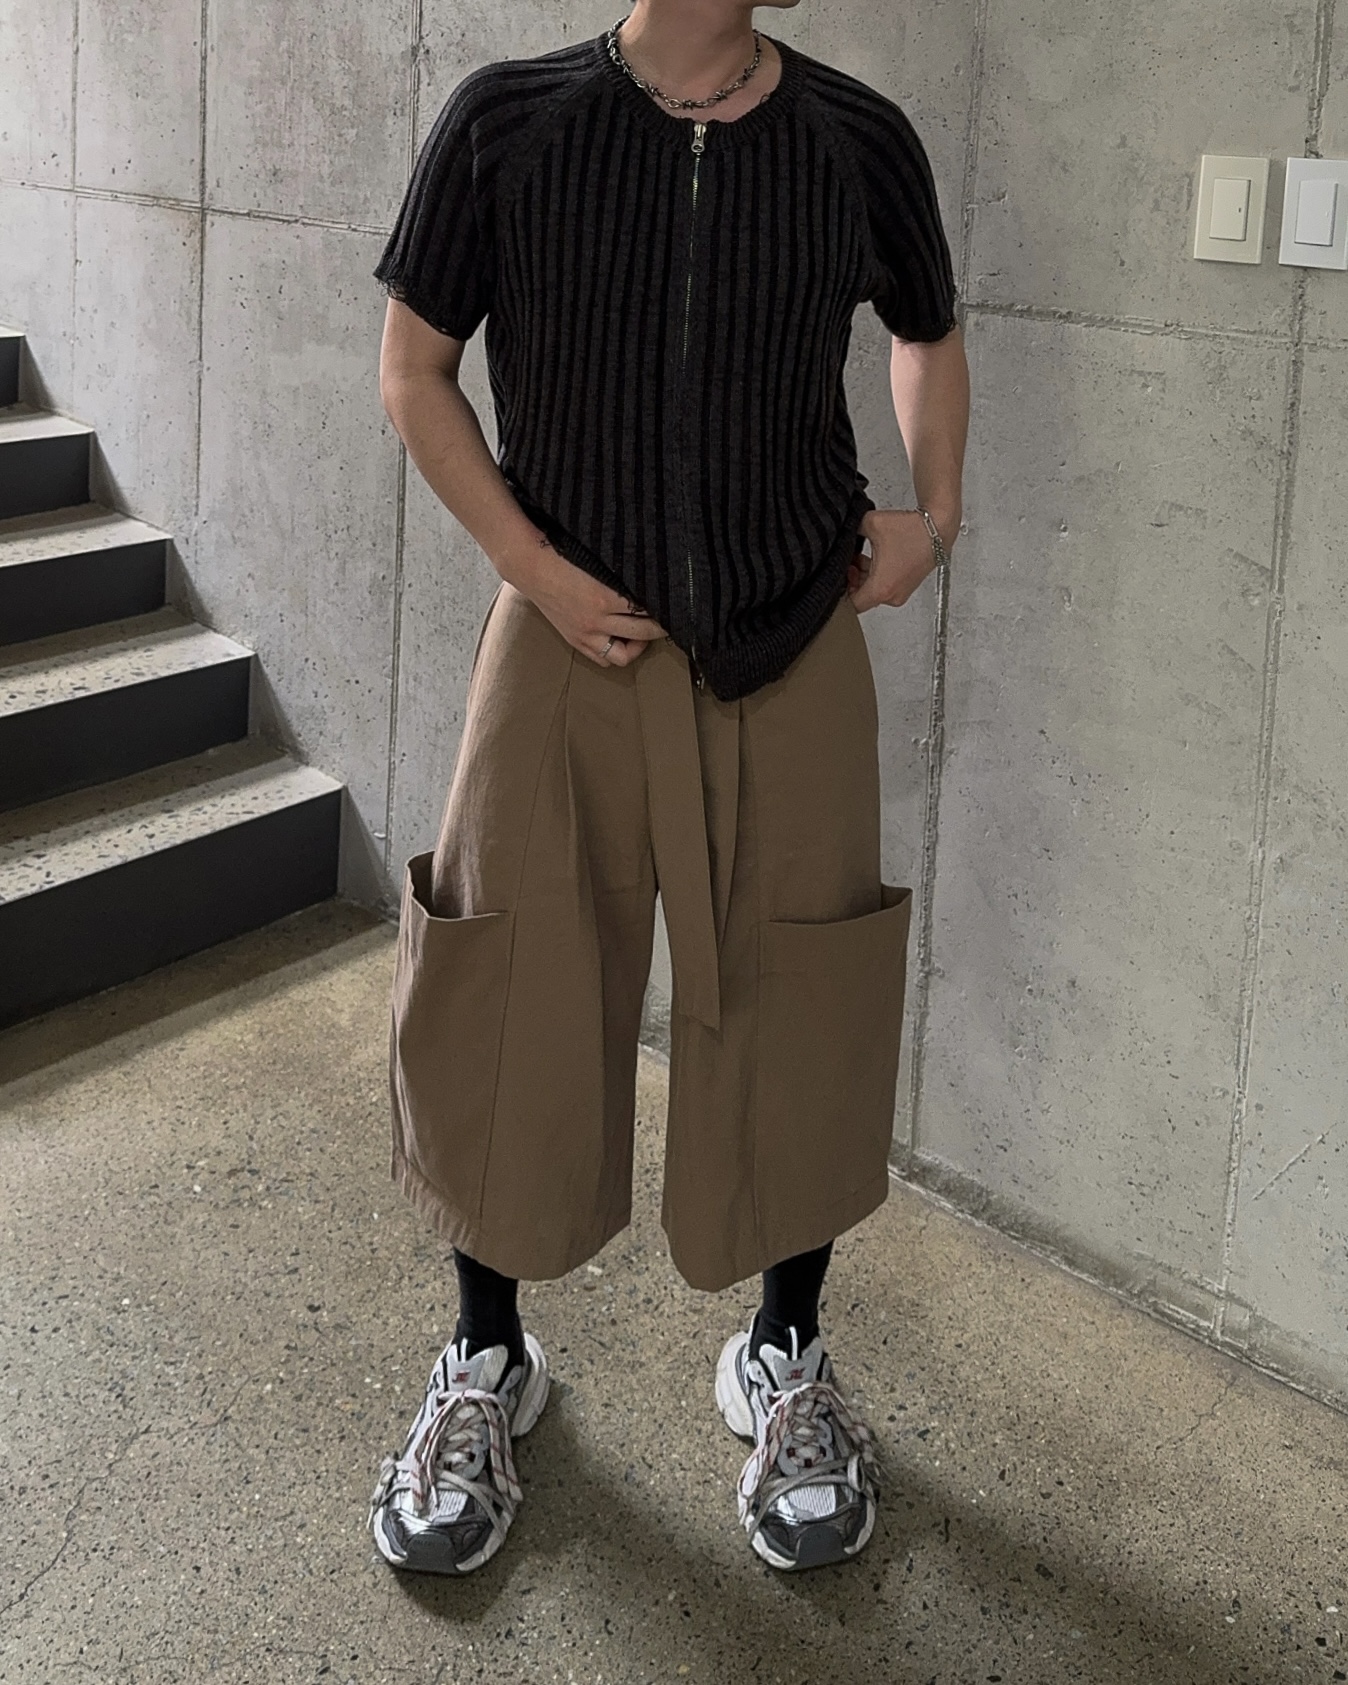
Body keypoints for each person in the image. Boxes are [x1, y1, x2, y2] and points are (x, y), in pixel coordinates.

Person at [366, 0, 969, 1577]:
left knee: (806, 992)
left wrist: (935, 514)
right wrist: (535, 568)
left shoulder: (855, 140)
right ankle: (485, 1359)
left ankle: (786, 1357)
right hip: (566, 633)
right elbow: (415, 370)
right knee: (505, 985)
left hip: (791, 637)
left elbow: (927, 328)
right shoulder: (509, 123)